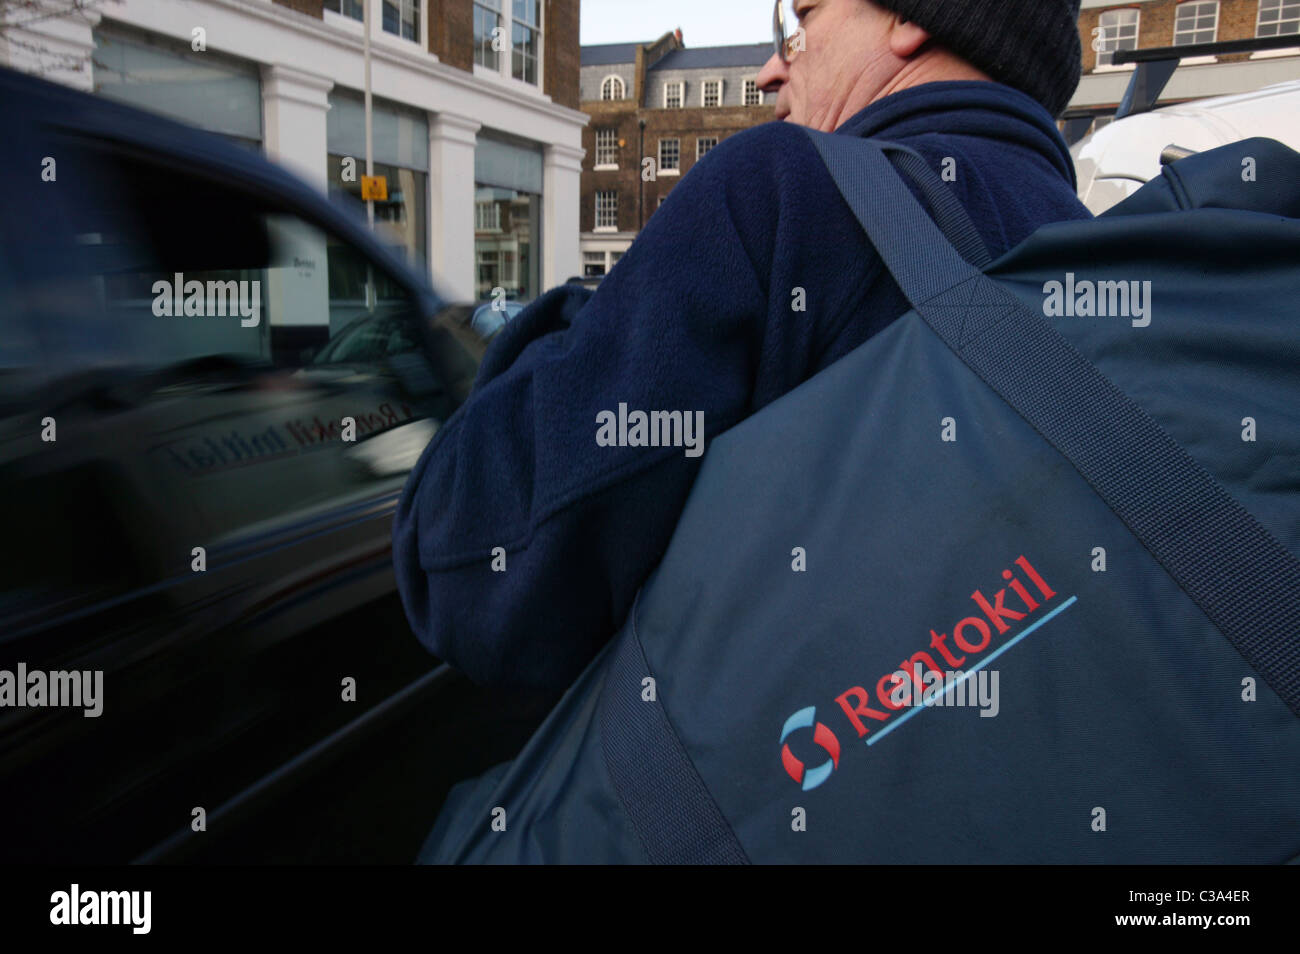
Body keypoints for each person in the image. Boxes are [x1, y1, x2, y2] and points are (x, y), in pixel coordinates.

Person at [394, 0, 1091, 691]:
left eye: (800, 25)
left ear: (909, 21)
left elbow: (471, 575)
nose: (768, 71)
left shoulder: (782, 193)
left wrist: (592, 313)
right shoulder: (1102, 252)